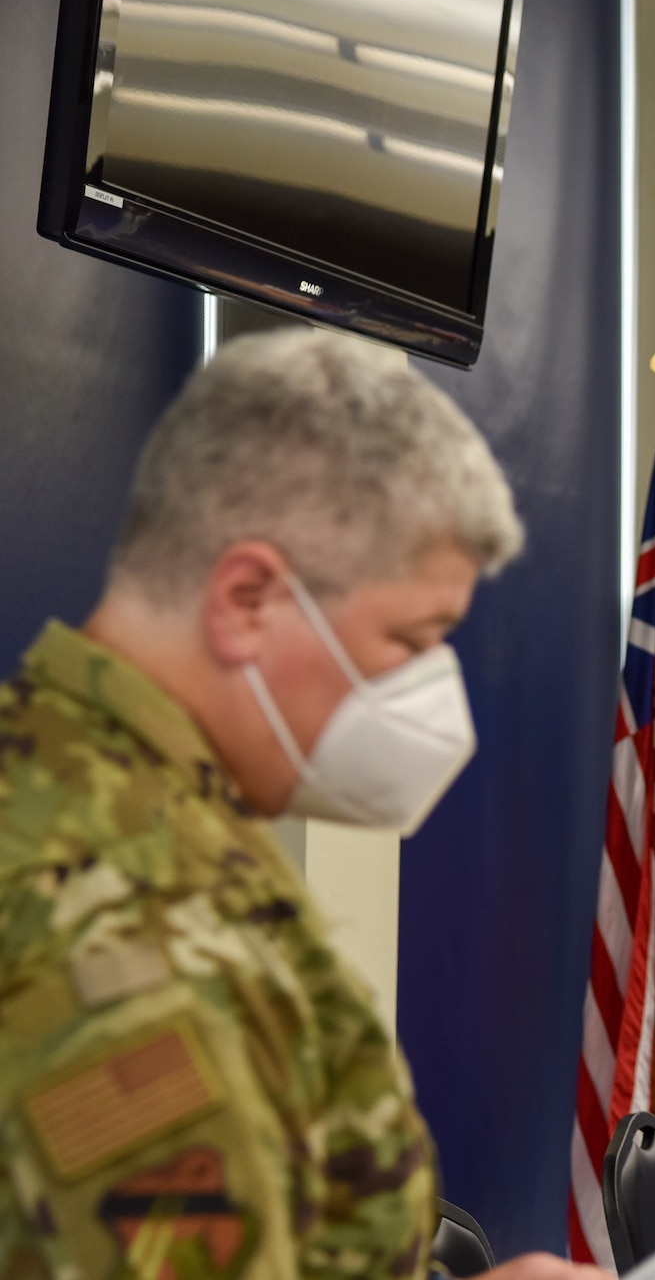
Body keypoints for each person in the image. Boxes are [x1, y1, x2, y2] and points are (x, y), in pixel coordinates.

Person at [0, 332, 603, 1280]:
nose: (432, 690)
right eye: (411, 637)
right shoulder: (116, 909)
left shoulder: (135, 811)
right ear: (246, 599)